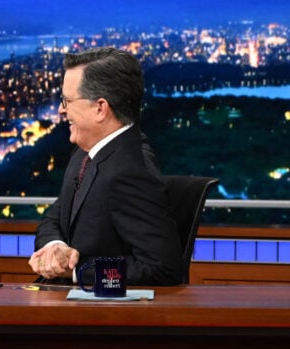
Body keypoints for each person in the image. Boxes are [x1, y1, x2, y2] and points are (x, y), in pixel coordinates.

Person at [29, 47, 182, 286]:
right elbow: (54, 219)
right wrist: (55, 248)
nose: (61, 110)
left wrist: (79, 272)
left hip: (96, 313)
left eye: (67, 101)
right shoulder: (84, 153)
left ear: (100, 108)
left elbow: (161, 268)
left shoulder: (131, 170)